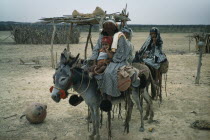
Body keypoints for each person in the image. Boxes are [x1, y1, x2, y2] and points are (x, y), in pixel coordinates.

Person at [89, 19, 132, 98]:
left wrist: (110, 59)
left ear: (114, 28)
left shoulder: (120, 36)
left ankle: (110, 94)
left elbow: (121, 52)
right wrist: (94, 60)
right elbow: (96, 48)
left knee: (109, 73)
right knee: (86, 68)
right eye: (106, 27)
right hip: (102, 58)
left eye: (110, 27)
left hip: (117, 60)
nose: (108, 29)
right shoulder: (102, 36)